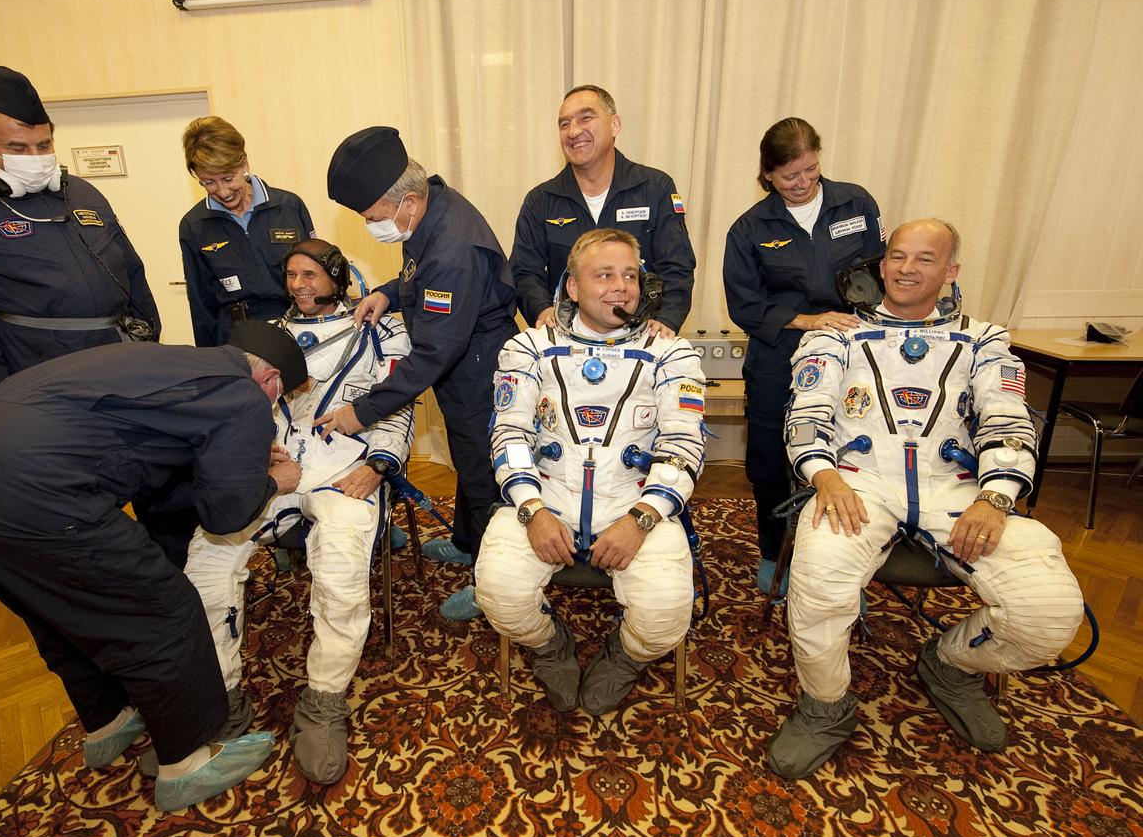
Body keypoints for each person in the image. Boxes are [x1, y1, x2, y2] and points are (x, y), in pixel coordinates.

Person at [0, 323, 308, 811]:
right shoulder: (242, 396)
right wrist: (273, 481)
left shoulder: (175, 363)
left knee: (57, 610)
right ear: (268, 376)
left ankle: (109, 721)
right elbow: (226, 514)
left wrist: (240, 462)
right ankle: (186, 764)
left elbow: (156, 469)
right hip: (30, 490)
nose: (275, 405)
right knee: (164, 610)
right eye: (280, 395)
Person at [766, 219, 1085, 779]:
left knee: (1049, 612)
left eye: (925, 259)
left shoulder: (985, 341)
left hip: (957, 490)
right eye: (897, 257)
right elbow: (806, 417)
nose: (907, 269)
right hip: (857, 482)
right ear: (881, 264)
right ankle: (824, 706)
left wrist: (997, 495)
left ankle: (949, 663)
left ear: (951, 271)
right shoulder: (832, 337)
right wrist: (823, 477)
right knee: (817, 580)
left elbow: (1008, 419)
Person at [182, 238, 413, 784]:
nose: (300, 285)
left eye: (311, 274)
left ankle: (325, 698)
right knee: (207, 561)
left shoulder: (381, 331)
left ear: (338, 275)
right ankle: (222, 694)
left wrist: (380, 465)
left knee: (339, 570)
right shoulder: (268, 336)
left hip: (346, 470)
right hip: (278, 465)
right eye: (291, 275)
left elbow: (401, 402)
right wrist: (253, 453)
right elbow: (243, 403)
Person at [475, 229, 705, 714]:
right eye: (604, 275)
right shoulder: (528, 348)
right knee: (497, 590)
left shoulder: (673, 353)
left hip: (636, 501)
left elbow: (684, 444)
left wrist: (642, 517)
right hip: (546, 497)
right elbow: (509, 437)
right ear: (573, 288)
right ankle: (548, 644)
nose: (621, 286)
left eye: (630, 275)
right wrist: (531, 509)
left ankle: (626, 655)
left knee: (665, 611)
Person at [317, 127, 516, 612]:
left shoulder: (452, 249)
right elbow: (416, 271)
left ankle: (494, 580)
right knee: (469, 463)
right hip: (462, 359)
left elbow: (431, 355)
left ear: (406, 200)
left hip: (477, 370)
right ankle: (468, 541)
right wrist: (387, 290)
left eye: (372, 218)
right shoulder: (433, 205)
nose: (370, 226)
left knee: (486, 473)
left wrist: (360, 413)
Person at [0, 65, 160, 400]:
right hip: (41, 377)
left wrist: (150, 340)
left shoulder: (82, 193)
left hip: (122, 363)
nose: (35, 158)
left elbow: (132, 271)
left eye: (44, 144)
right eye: (18, 148)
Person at [723, 118, 885, 592]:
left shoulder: (855, 203)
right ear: (768, 174)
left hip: (851, 353)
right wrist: (807, 321)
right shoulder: (750, 228)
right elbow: (744, 304)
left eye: (811, 170)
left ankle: (840, 565)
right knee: (771, 461)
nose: (802, 183)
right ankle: (775, 553)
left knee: (849, 455)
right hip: (779, 354)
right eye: (790, 175)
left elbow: (881, 274)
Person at [510, 85, 697, 337]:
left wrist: (667, 319)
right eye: (564, 124)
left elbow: (677, 264)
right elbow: (524, 271)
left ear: (615, 124)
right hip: (567, 341)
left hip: (642, 337)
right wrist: (541, 311)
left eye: (586, 118)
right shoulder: (541, 201)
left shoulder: (654, 188)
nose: (574, 131)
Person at [179, 116, 316, 346]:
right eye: (209, 182)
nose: (223, 192)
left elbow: (316, 274)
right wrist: (211, 362)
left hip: (296, 330)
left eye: (227, 178)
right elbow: (201, 305)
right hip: (237, 339)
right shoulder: (194, 225)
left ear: (244, 163)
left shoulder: (288, 206)